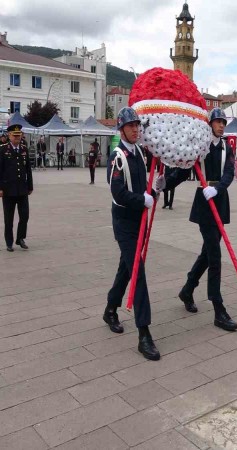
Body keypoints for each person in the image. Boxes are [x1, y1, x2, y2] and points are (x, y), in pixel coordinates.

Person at [160, 108, 237, 332]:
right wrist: (165, 183)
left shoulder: (226, 147)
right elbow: (183, 172)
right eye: (218, 122)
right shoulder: (200, 146)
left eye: (224, 122)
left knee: (207, 252)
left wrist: (218, 189)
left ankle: (187, 288)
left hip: (219, 200)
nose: (222, 125)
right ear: (210, 124)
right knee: (215, 255)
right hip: (204, 203)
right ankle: (218, 308)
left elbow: (229, 173)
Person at [104, 107, 160, 361]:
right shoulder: (118, 156)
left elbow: (143, 189)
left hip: (140, 220)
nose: (136, 129)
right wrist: (143, 200)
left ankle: (110, 308)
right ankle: (144, 334)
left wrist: (156, 190)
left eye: (138, 126)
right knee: (138, 272)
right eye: (131, 126)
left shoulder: (138, 152)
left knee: (127, 269)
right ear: (121, 129)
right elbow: (118, 193)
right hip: (125, 223)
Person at [0, 124, 33, 251]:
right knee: (8, 218)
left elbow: (28, 169)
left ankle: (20, 238)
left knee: (25, 216)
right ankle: (9, 242)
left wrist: (30, 186)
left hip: (22, 189)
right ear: (9, 136)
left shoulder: (23, 149)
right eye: (15, 135)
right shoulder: (3, 149)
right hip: (8, 190)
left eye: (19, 135)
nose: (17, 137)